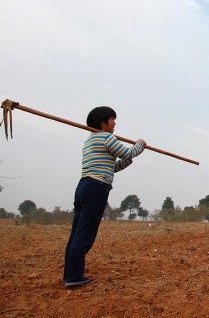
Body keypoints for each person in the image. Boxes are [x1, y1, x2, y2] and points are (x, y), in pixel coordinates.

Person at [63, 106, 146, 288]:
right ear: (102, 122)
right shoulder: (107, 137)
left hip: (84, 186)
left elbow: (112, 166)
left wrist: (128, 160)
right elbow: (127, 152)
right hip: (96, 188)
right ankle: (75, 278)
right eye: (112, 119)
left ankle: (70, 275)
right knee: (84, 235)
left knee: (76, 234)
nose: (115, 123)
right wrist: (140, 145)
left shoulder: (90, 141)